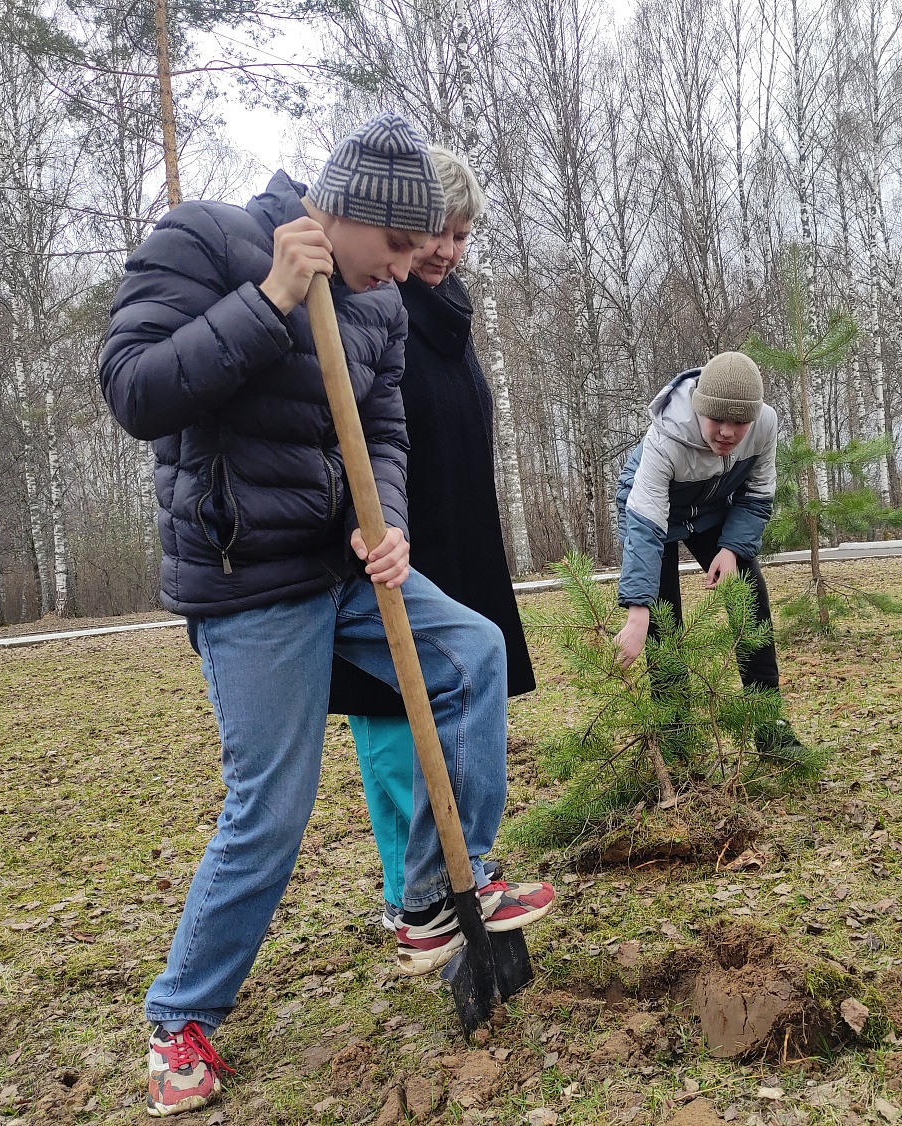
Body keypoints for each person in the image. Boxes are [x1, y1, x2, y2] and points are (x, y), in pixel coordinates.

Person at [99, 112, 552, 1119]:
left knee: (472, 652)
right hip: (247, 576)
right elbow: (134, 392)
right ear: (339, 214)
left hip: (343, 568)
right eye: (394, 248)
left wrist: (380, 515)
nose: (407, 269)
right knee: (272, 809)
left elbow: (380, 425)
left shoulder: (380, 305)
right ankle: (180, 1015)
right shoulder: (206, 241)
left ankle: (434, 892)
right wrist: (269, 301)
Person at [328, 145, 538, 949]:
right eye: (437, 233)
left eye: (462, 234)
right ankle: (407, 892)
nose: (448, 250)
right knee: (392, 721)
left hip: (456, 532)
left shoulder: (452, 315)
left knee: (457, 708)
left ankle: (456, 873)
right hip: (387, 545)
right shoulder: (368, 304)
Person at [612, 352, 804, 752]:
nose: (729, 433)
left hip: (714, 507)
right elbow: (645, 525)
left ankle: (769, 725)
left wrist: (732, 549)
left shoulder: (765, 425)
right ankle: (676, 735)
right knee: (663, 622)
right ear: (699, 407)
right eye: (718, 419)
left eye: (740, 422)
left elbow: (757, 493)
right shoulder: (665, 436)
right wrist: (637, 611)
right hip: (653, 513)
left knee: (750, 597)